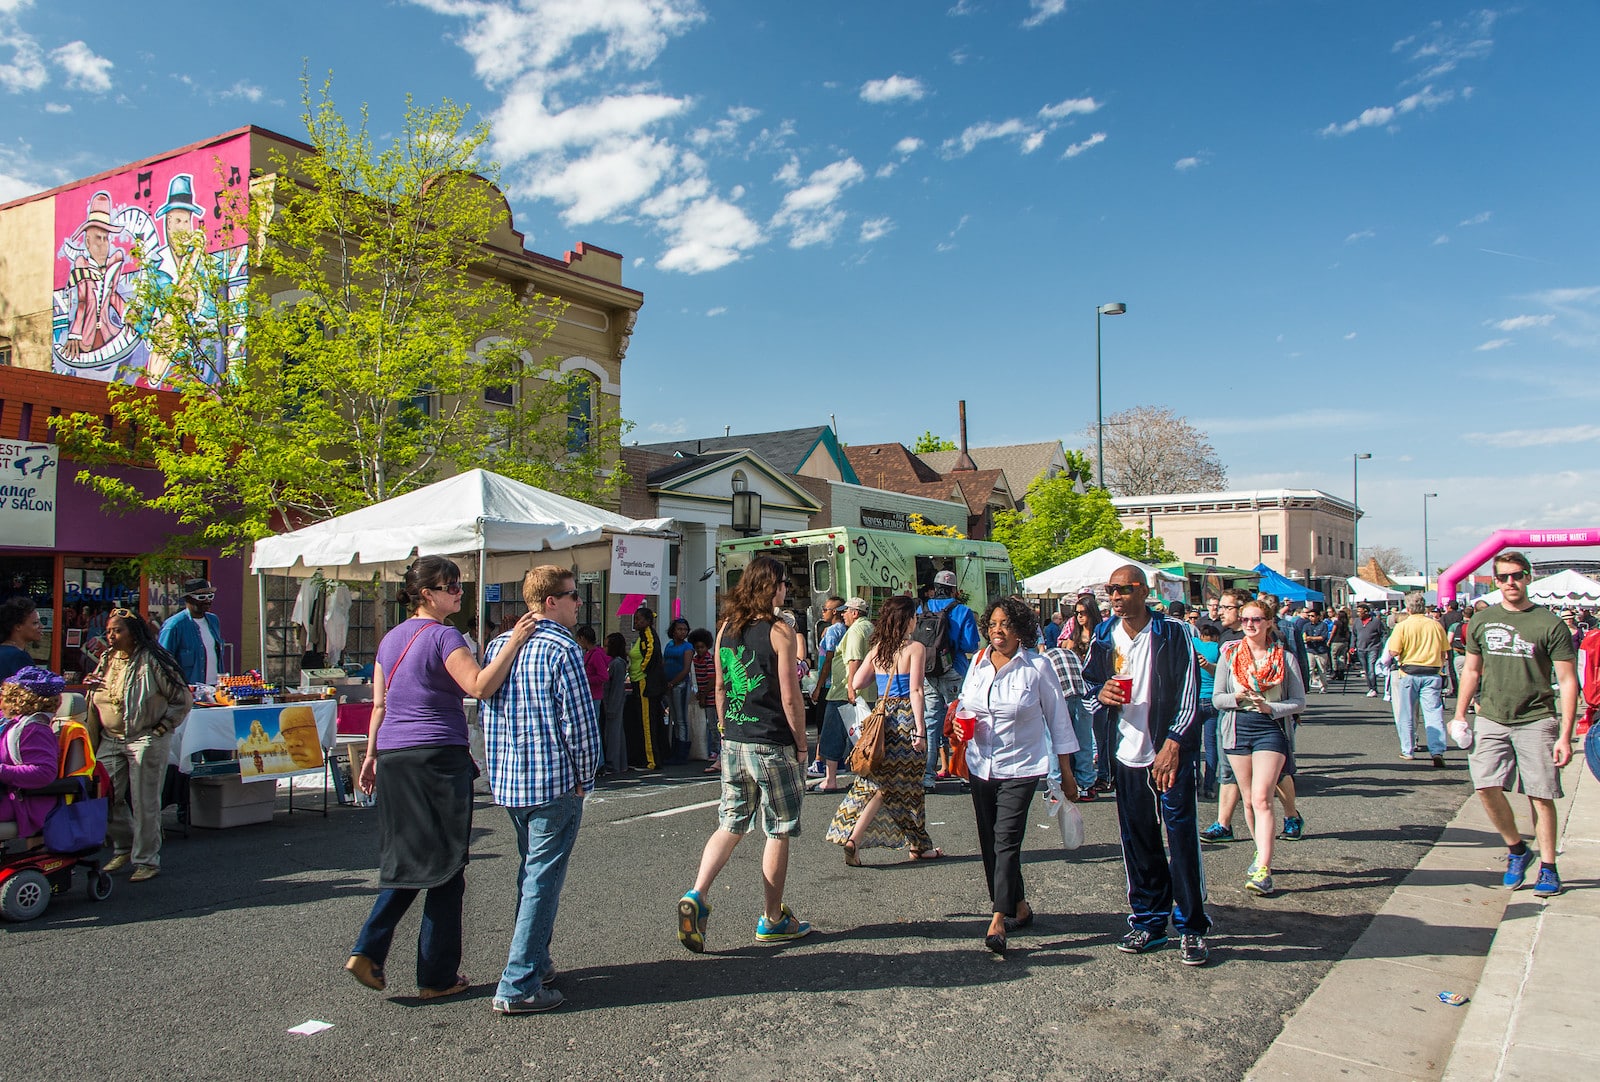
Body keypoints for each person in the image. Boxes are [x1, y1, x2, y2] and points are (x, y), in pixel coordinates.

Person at [346, 556, 538, 1000]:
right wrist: (512, 643)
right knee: (447, 864)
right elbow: (478, 685)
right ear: (426, 594)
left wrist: (371, 754)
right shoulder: (444, 635)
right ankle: (430, 974)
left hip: (395, 755)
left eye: (458, 584)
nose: (458, 591)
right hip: (436, 755)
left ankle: (375, 950)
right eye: (450, 586)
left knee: (414, 857)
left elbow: (380, 705)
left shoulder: (391, 639)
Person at [480, 566, 602, 1015]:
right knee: (541, 880)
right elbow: (580, 723)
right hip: (553, 779)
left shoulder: (499, 645)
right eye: (572, 596)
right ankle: (519, 983)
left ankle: (535, 961)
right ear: (550, 601)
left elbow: (488, 713)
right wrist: (586, 778)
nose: (578, 604)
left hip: (513, 779)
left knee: (531, 874)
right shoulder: (562, 649)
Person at [677, 555, 811, 953]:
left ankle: (697, 894)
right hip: (772, 741)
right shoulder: (780, 630)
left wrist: (724, 729)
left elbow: (719, 687)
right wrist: (802, 744)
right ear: (773, 586)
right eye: (784, 583)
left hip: (734, 739)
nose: (786, 589)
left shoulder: (725, 630)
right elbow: (790, 696)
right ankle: (773, 918)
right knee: (779, 828)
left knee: (731, 822)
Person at [1084, 565, 1210, 966]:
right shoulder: (1104, 635)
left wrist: (1174, 742)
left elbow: (1190, 695)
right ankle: (1150, 921)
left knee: (1181, 838)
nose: (1115, 597)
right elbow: (1088, 687)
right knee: (1137, 839)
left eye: (1123, 589)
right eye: (1110, 590)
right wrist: (1099, 693)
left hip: (1167, 751)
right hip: (1125, 753)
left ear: (1144, 591)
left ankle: (1190, 926)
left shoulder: (1173, 632)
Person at [1452, 551, 1578, 897]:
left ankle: (1549, 868)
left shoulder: (1548, 623)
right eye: (1504, 577)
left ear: (1528, 578)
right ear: (1496, 581)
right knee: (1486, 787)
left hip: (1536, 717)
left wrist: (1565, 735)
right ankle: (1517, 850)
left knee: (1541, 794)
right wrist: (1461, 714)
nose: (1511, 582)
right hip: (1491, 715)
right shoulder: (1481, 620)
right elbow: (1472, 671)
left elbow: (1568, 681)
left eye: (1517, 575)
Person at [958, 597, 1076, 954]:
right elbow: (965, 703)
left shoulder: (1038, 666)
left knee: (1006, 839)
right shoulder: (977, 662)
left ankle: (998, 918)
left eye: (1006, 624)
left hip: (1022, 766)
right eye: (993, 624)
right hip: (981, 764)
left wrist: (1067, 772)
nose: (998, 631)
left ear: (1020, 630)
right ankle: (1020, 907)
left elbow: (1059, 720)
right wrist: (959, 724)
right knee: (990, 842)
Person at [826, 596, 939, 865]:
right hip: (904, 720)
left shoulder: (878, 649)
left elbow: (856, 680)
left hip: (881, 718)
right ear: (907, 620)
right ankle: (916, 845)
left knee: (878, 782)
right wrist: (921, 731)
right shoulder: (915, 649)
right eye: (914, 616)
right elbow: (916, 690)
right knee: (908, 785)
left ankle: (908, 842)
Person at [86, 608, 192, 882]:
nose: (111, 635)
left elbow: (182, 699)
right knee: (105, 795)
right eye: (109, 631)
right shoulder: (107, 659)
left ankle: (146, 860)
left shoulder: (154, 660)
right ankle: (124, 846)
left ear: (134, 633)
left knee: (145, 802)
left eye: (117, 630)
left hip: (145, 737)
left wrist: (162, 727)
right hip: (110, 738)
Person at [1213, 597, 1306, 896]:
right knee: (1250, 800)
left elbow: (1299, 702)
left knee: (1263, 796)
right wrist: (1237, 698)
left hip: (1270, 729)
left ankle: (1264, 868)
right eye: (1245, 620)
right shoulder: (1229, 655)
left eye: (1256, 620)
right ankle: (1260, 852)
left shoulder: (1284, 658)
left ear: (1268, 623)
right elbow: (1217, 699)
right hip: (1238, 728)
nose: (1250, 625)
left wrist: (1271, 708)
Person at [917, 570, 981, 794]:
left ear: (934, 587)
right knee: (961, 721)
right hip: (955, 669)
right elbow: (971, 645)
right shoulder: (962, 611)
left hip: (928, 670)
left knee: (931, 722)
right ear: (954, 590)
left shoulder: (921, 609)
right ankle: (964, 773)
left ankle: (927, 777)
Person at [1385, 592, 1452, 766]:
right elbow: (1445, 651)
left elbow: (1393, 651)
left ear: (1408, 609)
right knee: (1433, 713)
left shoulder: (1403, 626)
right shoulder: (1436, 626)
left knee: (1406, 713)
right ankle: (1437, 750)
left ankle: (1408, 750)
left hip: (1409, 673)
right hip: (1432, 672)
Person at [0, 667, 65, 841]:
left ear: (17, 699)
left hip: (20, 802)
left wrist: (1, 771)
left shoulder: (34, 730)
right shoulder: (10, 722)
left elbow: (44, 772)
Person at [816, 598, 873, 794]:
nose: (843, 614)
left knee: (833, 735)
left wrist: (850, 688)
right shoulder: (870, 628)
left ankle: (830, 780)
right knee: (861, 736)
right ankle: (863, 778)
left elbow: (854, 660)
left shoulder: (856, 631)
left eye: (846, 611)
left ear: (856, 613)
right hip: (865, 690)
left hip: (843, 692)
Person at [1041, 637, 1096, 803]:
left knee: (1055, 743)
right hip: (1083, 695)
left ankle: (1056, 787)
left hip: (1061, 696)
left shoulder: (1043, 658)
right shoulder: (1072, 654)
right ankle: (1086, 786)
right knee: (1084, 742)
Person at [1069, 594, 1111, 792]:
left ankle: (1105, 775)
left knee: (1102, 736)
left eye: (1083, 612)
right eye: (1076, 613)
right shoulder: (1074, 636)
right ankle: (1084, 776)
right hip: (1077, 690)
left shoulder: (1101, 634)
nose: (1079, 617)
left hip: (1098, 688)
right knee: (1083, 736)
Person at [158, 577, 226, 686]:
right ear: (188, 599)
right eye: (202, 597)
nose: (207, 600)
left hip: (215, 688)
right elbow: (162, 663)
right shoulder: (173, 626)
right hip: (188, 692)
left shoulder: (213, 620)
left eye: (210, 596)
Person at [624, 607, 668, 770]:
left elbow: (651, 651)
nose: (637, 623)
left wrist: (643, 668)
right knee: (645, 721)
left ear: (648, 621)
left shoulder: (648, 634)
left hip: (644, 682)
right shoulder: (643, 635)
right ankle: (650, 756)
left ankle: (652, 760)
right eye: (635, 620)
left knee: (647, 722)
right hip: (638, 680)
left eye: (639, 620)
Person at [807, 597, 846, 776]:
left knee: (823, 723)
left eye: (826, 609)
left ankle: (819, 760)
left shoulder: (832, 632)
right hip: (838, 682)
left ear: (835, 611)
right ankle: (836, 759)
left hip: (828, 683)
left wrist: (818, 686)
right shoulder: (843, 630)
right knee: (835, 722)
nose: (823, 611)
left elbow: (828, 660)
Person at [1194, 622, 1222, 799]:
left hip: (1195, 699)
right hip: (1212, 700)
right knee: (1212, 745)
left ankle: (1196, 782)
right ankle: (1210, 785)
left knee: (1194, 745)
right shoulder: (1219, 649)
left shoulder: (1194, 644)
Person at [663, 618, 695, 765]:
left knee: (681, 719)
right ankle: (674, 749)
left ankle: (682, 752)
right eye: (679, 629)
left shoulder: (688, 647)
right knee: (673, 718)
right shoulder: (669, 645)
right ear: (673, 631)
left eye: (685, 629)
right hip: (669, 685)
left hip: (680, 685)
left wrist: (672, 682)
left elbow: (686, 669)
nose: (682, 632)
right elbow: (664, 663)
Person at [689, 628, 720, 772]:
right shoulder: (695, 660)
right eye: (697, 648)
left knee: (714, 725)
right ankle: (714, 748)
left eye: (702, 647)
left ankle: (717, 750)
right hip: (703, 695)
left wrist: (703, 695)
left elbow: (712, 679)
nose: (700, 650)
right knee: (708, 724)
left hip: (711, 697)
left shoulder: (709, 659)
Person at [601, 633, 630, 776]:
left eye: (607, 645)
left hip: (614, 703)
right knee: (616, 733)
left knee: (612, 735)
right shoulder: (615, 662)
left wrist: (611, 706)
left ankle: (613, 764)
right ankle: (620, 763)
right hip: (613, 702)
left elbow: (617, 687)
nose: (605, 648)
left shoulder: (617, 663)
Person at [0, 597, 44, 682]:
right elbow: (31, 692)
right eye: (35, 623)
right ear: (18, 626)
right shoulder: (19, 657)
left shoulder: (4, 651)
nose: (41, 626)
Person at [1354, 604, 1386, 696]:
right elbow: (1354, 635)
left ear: (1366, 612)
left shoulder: (1376, 622)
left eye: (1360, 612)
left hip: (1373, 648)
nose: (1358, 613)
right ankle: (1370, 687)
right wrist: (1352, 646)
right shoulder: (1357, 622)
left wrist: (1382, 645)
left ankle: (1373, 688)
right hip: (1361, 648)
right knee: (1366, 670)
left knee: (1371, 668)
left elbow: (1383, 634)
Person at [1302, 607, 1331, 692]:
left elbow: (1323, 637)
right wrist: (1305, 638)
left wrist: (1311, 638)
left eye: (1313, 616)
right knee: (1310, 669)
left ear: (1318, 616)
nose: (1311, 617)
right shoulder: (1306, 626)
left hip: (1321, 650)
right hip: (1310, 650)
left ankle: (1323, 687)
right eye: (1309, 616)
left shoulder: (1323, 625)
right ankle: (1308, 685)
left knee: (1322, 670)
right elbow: (1304, 635)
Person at [1329, 609, 1352, 681]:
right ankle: (1341, 671)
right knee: (1342, 656)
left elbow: (1333, 632)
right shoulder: (1346, 623)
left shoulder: (1337, 622)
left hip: (1336, 641)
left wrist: (1329, 640)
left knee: (1334, 656)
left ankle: (1335, 671)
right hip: (1344, 641)